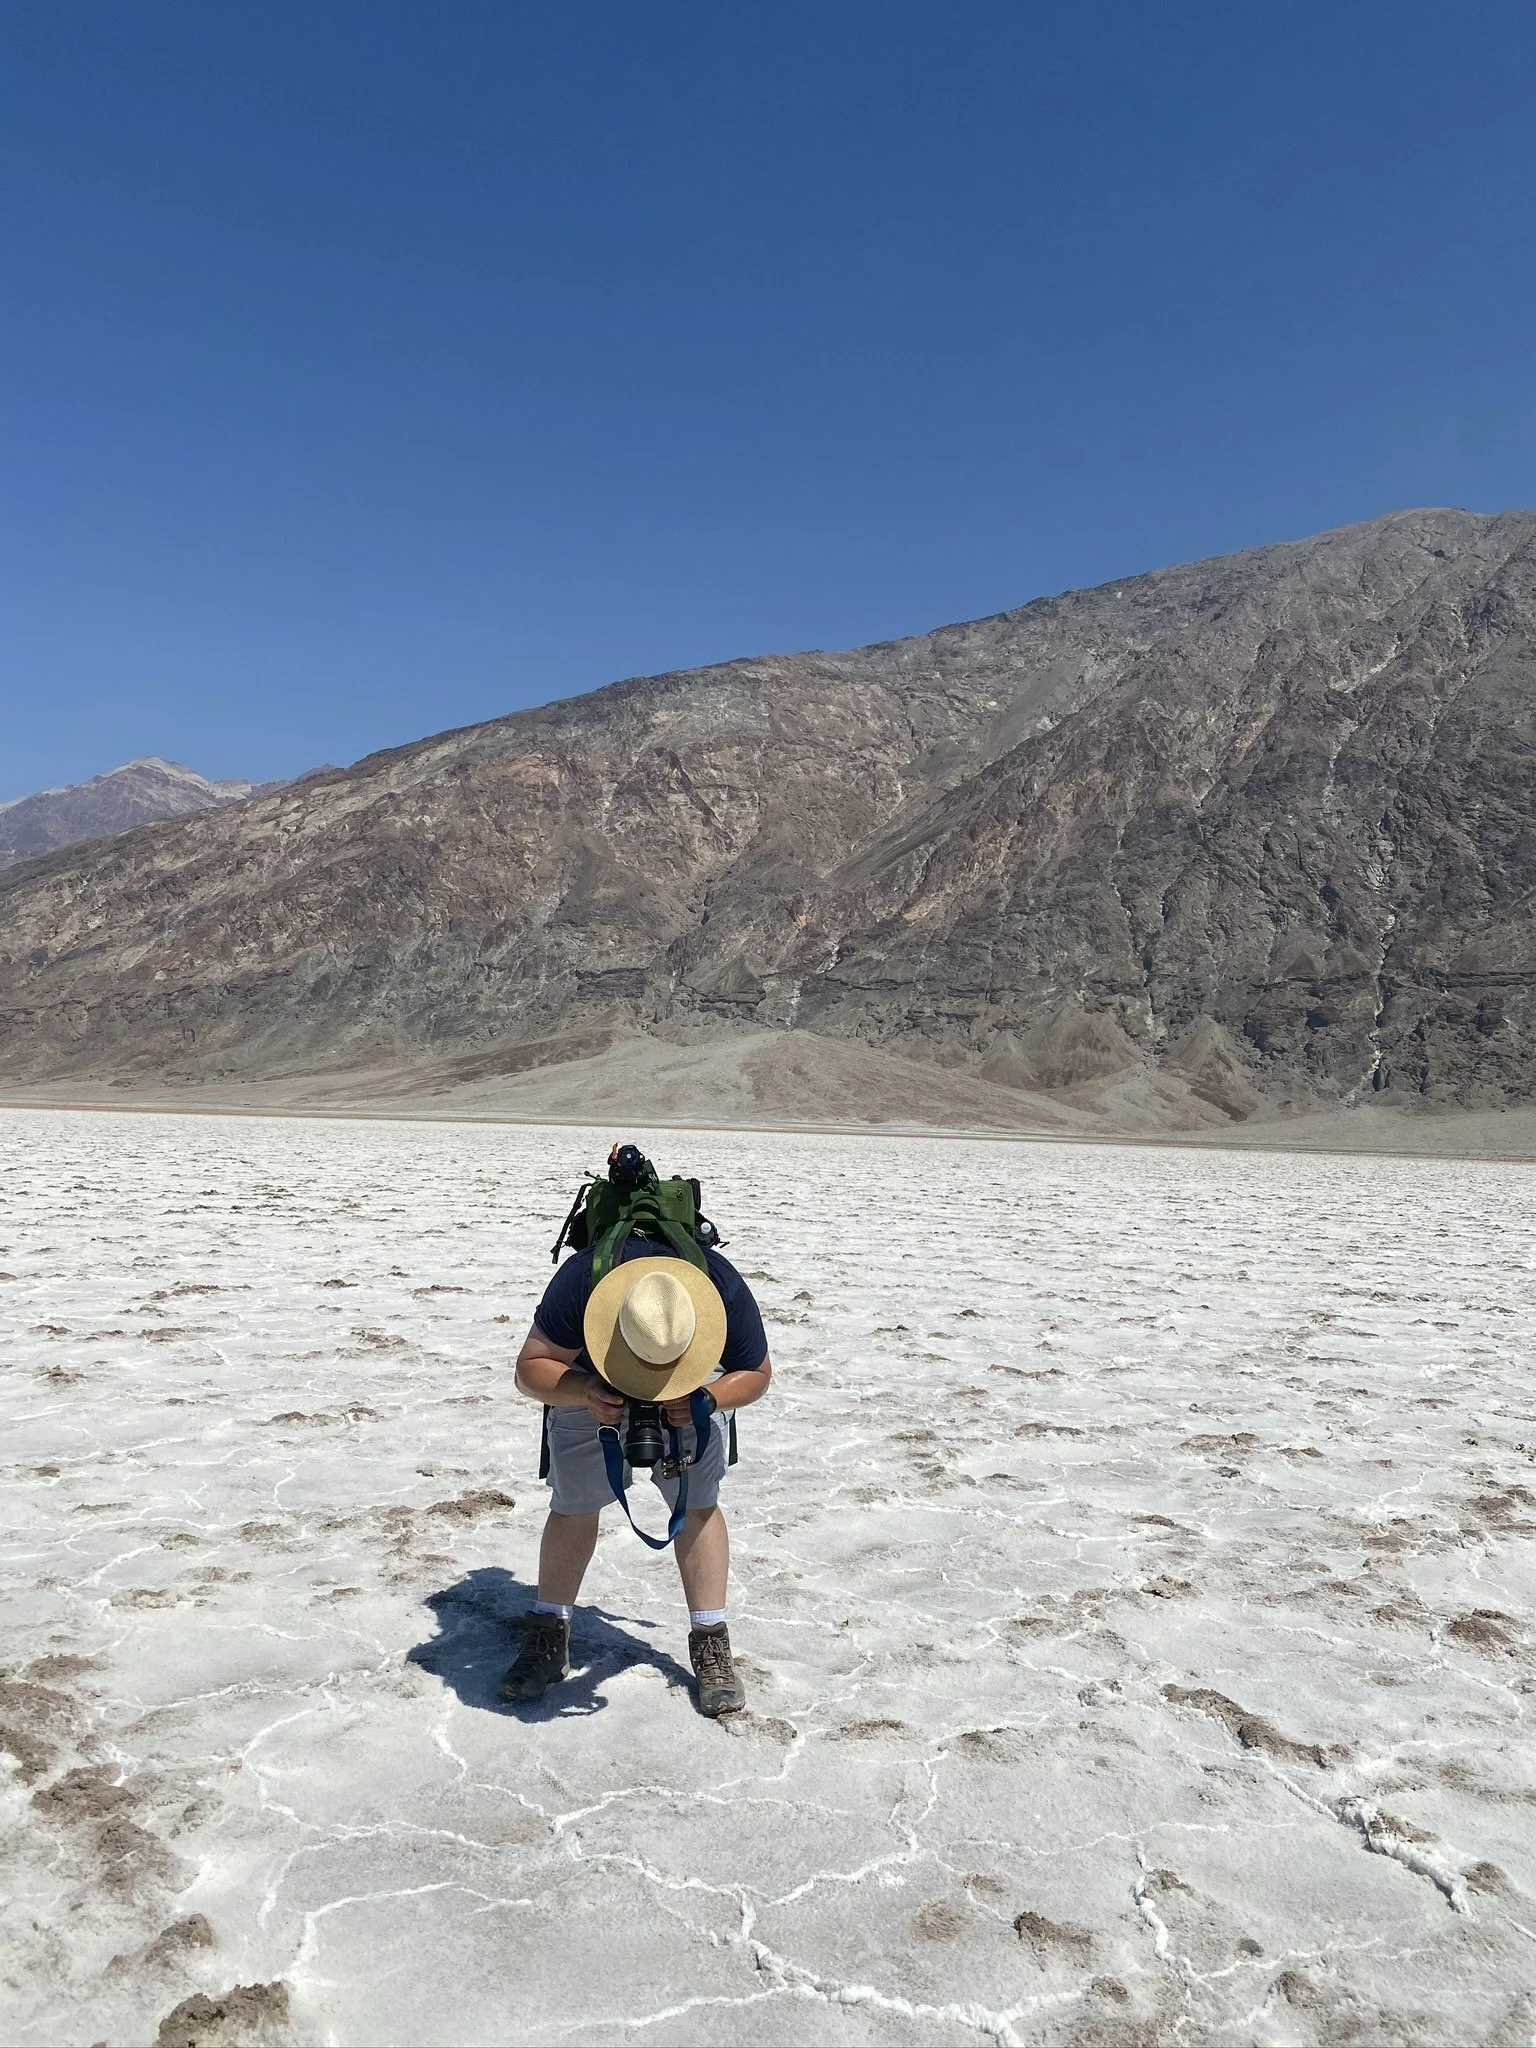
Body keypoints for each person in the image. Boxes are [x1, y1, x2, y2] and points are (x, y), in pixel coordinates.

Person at [503, 1163, 772, 1716]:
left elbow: (757, 1371)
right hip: (591, 1394)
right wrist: (583, 1392)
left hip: (691, 1405)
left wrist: (706, 1399)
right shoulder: (583, 1279)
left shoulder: (717, 1280)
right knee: (574, 1507)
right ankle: (550, 1633)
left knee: (696, 1508)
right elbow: (530, 1369)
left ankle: (710, 1642)